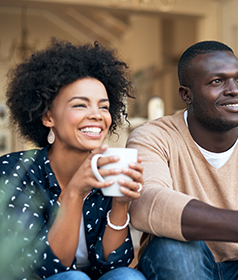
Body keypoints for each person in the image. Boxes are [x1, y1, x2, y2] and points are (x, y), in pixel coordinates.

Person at [126, 40, 238, 279]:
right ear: (186, 94)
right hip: (186, 264)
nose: (235, 90)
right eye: (217, 81)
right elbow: (145, 203)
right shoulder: (153, 136)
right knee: (173, 247)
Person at [0, 38, 146, 280]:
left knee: (128, 277)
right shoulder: (15, 171)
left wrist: (120, 203)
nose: (96, 116)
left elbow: (113, 264)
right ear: (47, 117)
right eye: (80, 105)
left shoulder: (106, 170)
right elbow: (47, 269)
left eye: (103, 107)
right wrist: (75, 192)